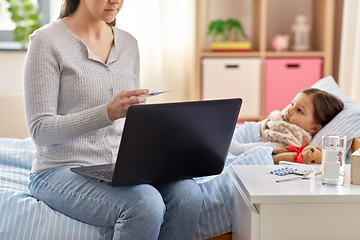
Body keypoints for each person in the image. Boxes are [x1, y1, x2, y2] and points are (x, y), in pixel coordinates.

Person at [24, 0, 203, 239]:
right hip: (59, 170)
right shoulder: (46, 41)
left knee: (188, 194)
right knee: (144, 204)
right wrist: (107, 112)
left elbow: (129, 123)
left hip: (117, 166)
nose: (115, 1)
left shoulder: (128, 43)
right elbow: (40, 130)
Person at [229, 88, 344, 155]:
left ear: (314, 128)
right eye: (292, 103)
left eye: (299, 110)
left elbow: (239, 150)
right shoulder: (275, 122)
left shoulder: (288, 140)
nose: (289, 110)